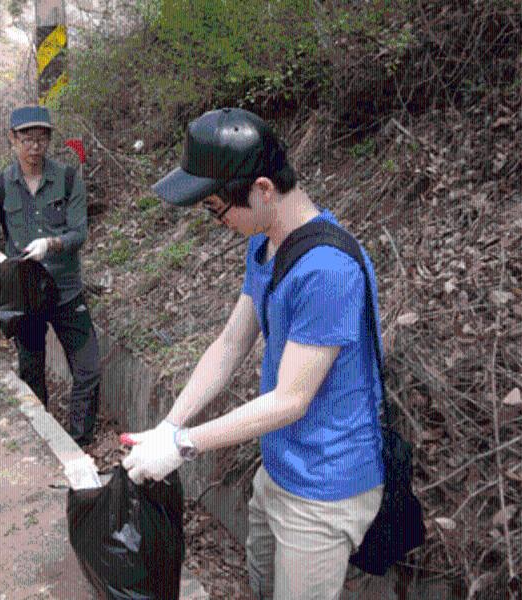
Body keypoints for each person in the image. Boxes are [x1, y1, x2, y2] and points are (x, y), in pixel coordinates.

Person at [122, 108, 385, 600]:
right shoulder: (266, 246)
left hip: (325, 487)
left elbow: (290, 400)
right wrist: (168, 426)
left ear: (263, 189)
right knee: (261, 585)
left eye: (219, 209)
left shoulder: (327, 271)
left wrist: (184, 446)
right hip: (279, 466)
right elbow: (230, 344)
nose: (218, 222)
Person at [0, 105, 101, 447]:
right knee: (31, 370)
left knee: (88, 368)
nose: (35, 146)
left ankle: (80, 442)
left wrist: (52, 243)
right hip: (25, 293)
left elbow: (79, 232)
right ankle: (43, 441)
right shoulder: (0, 186)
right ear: (13, 140)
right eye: (27, 139)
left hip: (65, 289)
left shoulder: (67, 179)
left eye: (42, 138)